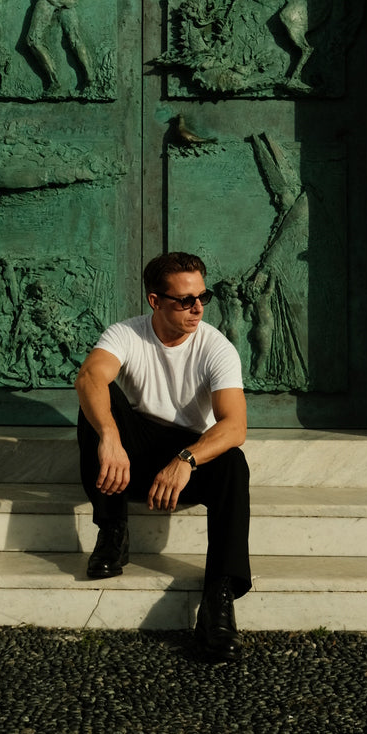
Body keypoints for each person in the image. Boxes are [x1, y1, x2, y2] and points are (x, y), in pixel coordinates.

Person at [74, 252, 251, 660]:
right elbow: (90, 376)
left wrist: (185, 459)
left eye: (202, 296)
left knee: (233, 462)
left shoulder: (216, 347)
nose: (197, 308)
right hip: (134, 451)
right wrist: (110, 436)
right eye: (184, 300)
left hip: (188, 456)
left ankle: (218, 600)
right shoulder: (127, 334)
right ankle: (113, 532)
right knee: (97, 402)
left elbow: (234, 426)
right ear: (155, 301)